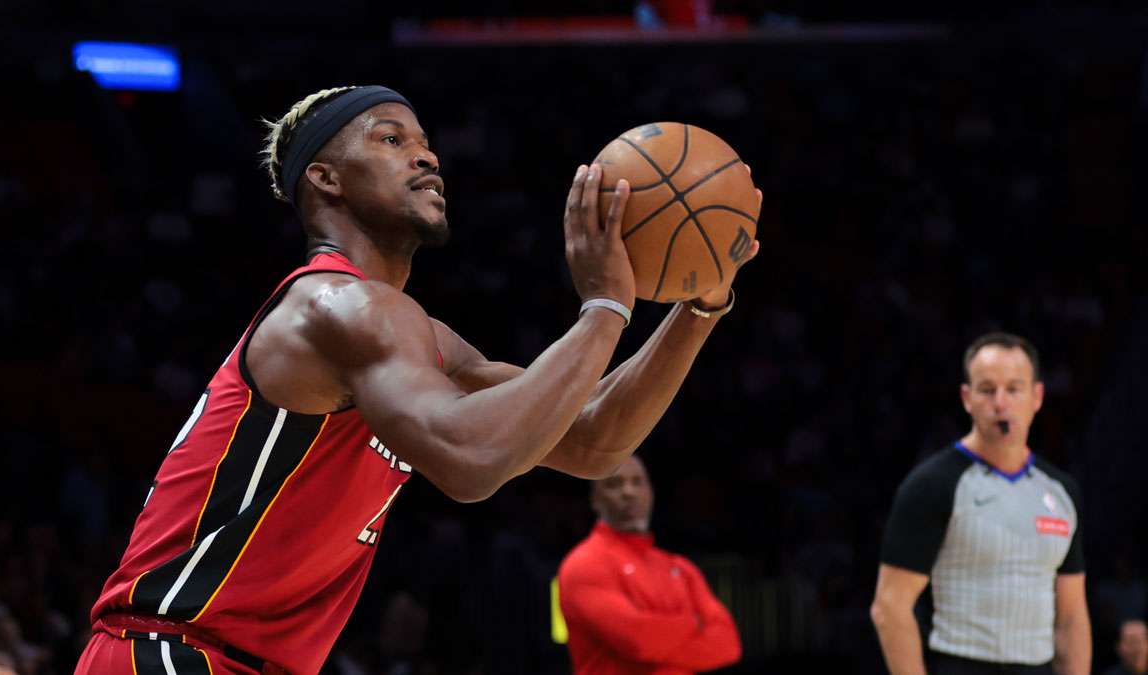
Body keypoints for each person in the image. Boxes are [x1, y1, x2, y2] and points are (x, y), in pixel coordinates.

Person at [73, 85, 761, 675]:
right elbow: (472, 459)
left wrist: (700, 307)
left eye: (426, 141)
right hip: (168, 650)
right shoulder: (333, 307)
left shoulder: (412, 334)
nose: (427, 155)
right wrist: (605, 308)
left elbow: (589, 441)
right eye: (392, 139)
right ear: (326, 179)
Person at [871, 332, 1090, 675]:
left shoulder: (1062, 492)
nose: (1000, 402)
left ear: (1037, 396)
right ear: (966, 397)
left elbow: (1072, 615)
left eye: (1014, 389)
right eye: (987, 390)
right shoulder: (932, 485)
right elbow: (889, 607)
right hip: (958, 663)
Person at [556, 455, 742, 674]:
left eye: (637, 482)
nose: (628, 491)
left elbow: (728, 644)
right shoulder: (583, 564)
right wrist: (692, 622)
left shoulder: (680, 567)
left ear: (651, 493)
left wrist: (657, 640)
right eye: (614, 484)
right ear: (595, 500)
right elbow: (636, 639)